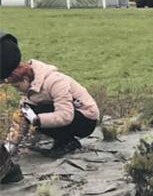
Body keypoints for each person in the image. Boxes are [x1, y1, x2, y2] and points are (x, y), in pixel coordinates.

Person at [1, 32, 100, 183]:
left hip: (85, 118)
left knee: (31, 115)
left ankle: (68, 141)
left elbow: (66, 115)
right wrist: (8, 148)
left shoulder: (55, 81)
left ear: (26, 79)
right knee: (26, 113)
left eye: (16, 86)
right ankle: (63, 140)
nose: (17, 90)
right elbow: (21, 121)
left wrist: (37, 120)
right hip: (65, 115)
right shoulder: (30, 91)